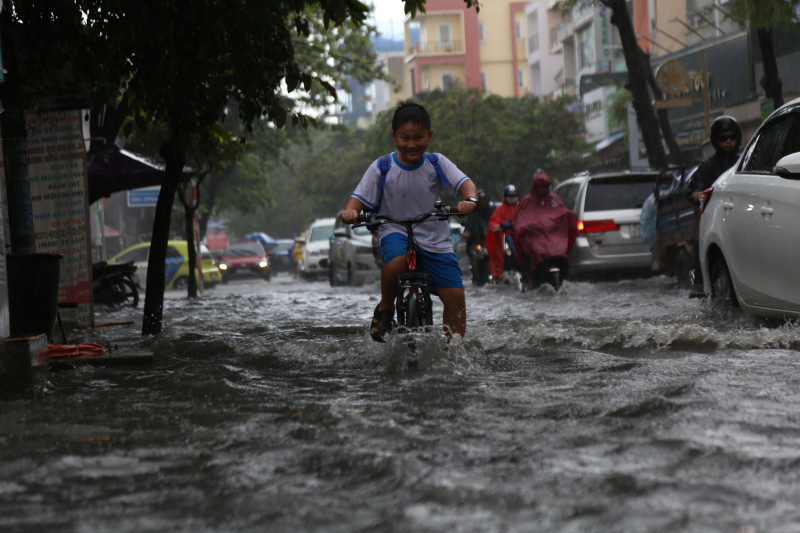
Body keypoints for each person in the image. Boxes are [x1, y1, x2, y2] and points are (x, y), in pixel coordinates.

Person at [339, 102, 478, 341]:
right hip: (394, 231)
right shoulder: (382, 167)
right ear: (394, 136)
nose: (412, 144)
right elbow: (355, 201)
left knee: (456, 297)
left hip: (435, 238)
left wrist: (470, 199)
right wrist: (349, 212)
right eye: (405, 138)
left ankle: (453, 349)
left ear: (429, 136)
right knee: (397, 262)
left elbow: (466, 184)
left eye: (418, 137)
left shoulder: (436, 163)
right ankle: (385, 308)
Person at [688, 115, 742, 293]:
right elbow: (691, 192)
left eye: (732, 136)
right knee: (702, 242)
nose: (729, 141)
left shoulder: (745, 161)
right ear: (715, 140)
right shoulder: (708, 166)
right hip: (717, 219)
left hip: (742, 215)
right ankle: (700, 283)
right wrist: (697, 195)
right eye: (723, 138)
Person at [511, 171, 578, 289]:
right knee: (534, 258)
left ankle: (564, 284)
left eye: (546, 186)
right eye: (540, 186)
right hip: (535, 241)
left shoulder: (554, 199)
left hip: (554, 242)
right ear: (535, 187)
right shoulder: (527, 201)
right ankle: (534, 282)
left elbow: (563, 213)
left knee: (563, 260)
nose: (543, 189)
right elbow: (520, 221)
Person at [485, 185, 519, 283]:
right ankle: (501, 273)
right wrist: (496, 225)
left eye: (514, 196)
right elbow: (493, 221)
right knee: (507, 253)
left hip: (520, 234)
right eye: (510, 196)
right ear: (505, 196)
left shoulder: (521, 207)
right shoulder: (500, 209)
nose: (512, 198)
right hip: (506, 236)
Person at [462, 190, 494, 257]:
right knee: (470, 248)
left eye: (485, 199)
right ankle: (472, 264)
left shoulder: (492, 211)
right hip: (476, 239)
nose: (483, 202)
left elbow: (497, 222)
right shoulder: (473, 213)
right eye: (481, 200)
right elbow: (469, 226)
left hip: (491, 238)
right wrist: (467, 233)